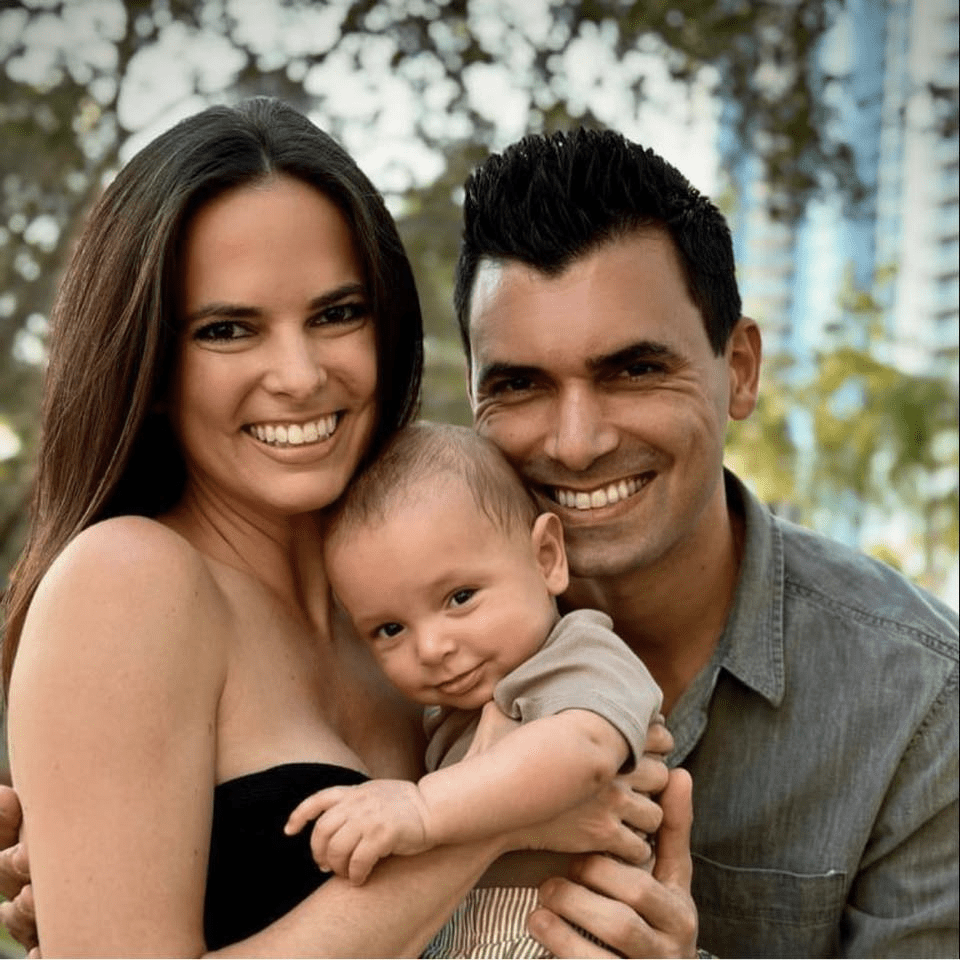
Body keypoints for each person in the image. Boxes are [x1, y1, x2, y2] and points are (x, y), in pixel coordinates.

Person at [0, 102, 682, 957]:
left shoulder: (412, 604)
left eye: (336, 314)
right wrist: (491, 822)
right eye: (227, 329)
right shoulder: (127, 579)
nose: (299, 375)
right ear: (152, 364)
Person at [450, 127, 959, 957]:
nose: (575, 444)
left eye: (634, 370)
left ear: (741, 369)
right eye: (520, 384)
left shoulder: (924, 703)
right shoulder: (405, 645)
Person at [284, 420, 663, 957]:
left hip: (566, 933)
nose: (431, 647)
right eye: (390, 629)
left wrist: (421, 809)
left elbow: (584, 752)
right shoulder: (446, 716)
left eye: (460, 597)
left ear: (547, 558)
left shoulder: (581, 653)